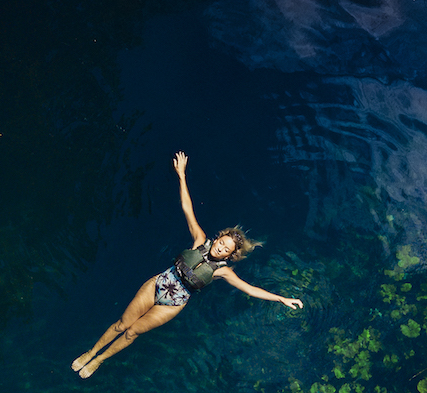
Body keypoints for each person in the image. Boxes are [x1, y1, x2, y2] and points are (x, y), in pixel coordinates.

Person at [72, 151, 304, 378]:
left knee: (132, 332)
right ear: (217, 238)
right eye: (221, 242)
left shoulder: (222, 271)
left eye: (226, 249)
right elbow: (187, 207)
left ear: (230, 255)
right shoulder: (199, 240)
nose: (221, 248)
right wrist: (182, 175)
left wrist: (280, 298)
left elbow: (249, 288)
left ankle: (100, 360)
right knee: (122, 324)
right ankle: (91, 352)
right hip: (158, 283)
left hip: (174, 303)